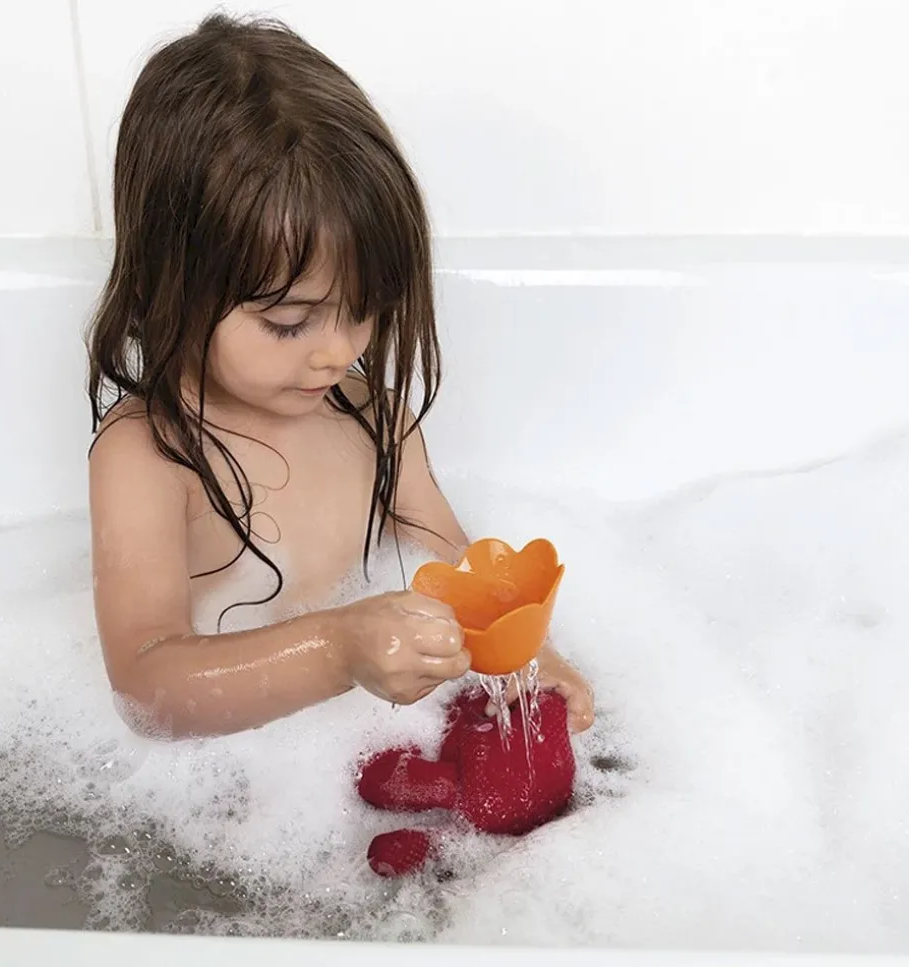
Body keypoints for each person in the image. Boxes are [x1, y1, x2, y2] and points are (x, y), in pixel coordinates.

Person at [86, 13, 594, 741]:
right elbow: (147, 687)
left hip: (345, 756)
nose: (337, 352)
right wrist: (336, 649)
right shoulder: (150, 456)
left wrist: (534, 658)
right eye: (289, 322)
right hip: (233, 774)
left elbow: (462, 574)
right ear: (168, 285)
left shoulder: (374, 420)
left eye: (363, 311)